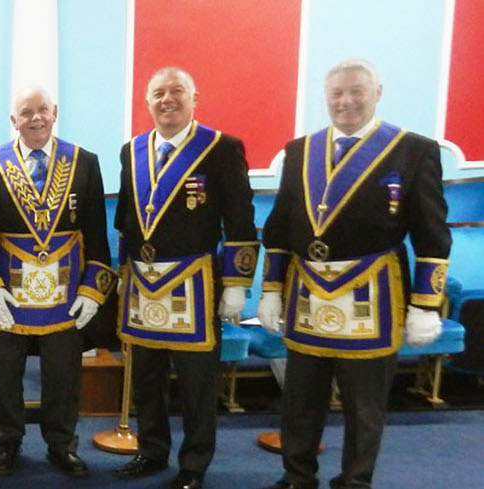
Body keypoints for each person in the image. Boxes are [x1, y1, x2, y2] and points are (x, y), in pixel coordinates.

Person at [257, 58, 449, 489]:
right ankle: (297, 476)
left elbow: (433, 235)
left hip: (374, 296)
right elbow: (281, 225)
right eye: (337, 94)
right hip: (307, 294)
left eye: (356, 91)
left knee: (365, 406)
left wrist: (425, 304)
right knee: (301, 401)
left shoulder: (413, 149)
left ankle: (356, 481)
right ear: (326, 98)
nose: (346, 101)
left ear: (377, 92)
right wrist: (270, 289)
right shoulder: (300, 150)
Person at [112, 67, 257, 489]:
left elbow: (241, 222)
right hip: (142, 283)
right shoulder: (132, 150)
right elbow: (126, 220)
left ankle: (194, 464)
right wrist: (123, 270)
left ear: (196, 98)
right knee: (146, 379)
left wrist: (236, 284)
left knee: (196, 383)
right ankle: (151, 451)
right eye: (158, 93)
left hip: (195, 283)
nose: (167, 99)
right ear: (147, 102)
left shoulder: (221, 148)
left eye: (177, 91)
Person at [0, 86, 113, 478]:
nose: (36, 118)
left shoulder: (84, 162)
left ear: (55, 113)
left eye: (43, 111)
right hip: (8, 292)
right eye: (26, 112)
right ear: (13, 120)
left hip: (66, 293)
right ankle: (7, 441)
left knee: (64, 375)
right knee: (5, 373)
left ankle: (62, 444)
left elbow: (97, 235)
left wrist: (93, 291)